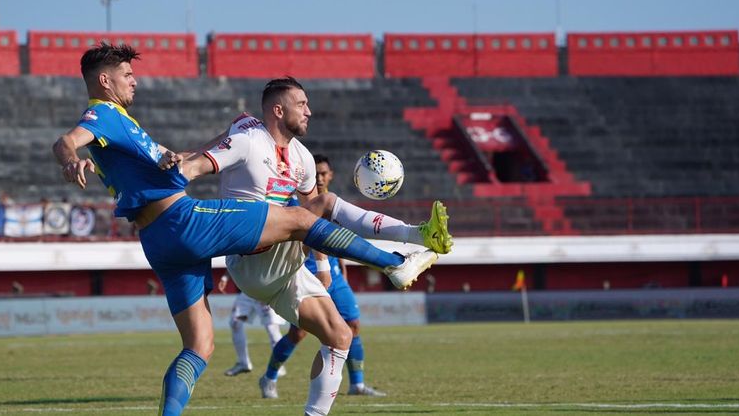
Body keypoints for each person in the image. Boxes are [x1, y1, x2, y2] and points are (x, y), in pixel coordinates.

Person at [53, 44, 443, 416]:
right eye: (127, 74)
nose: (134, 81)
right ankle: (394, 263)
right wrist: (71, 159)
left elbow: (172, 164)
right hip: (181, 220)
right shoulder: (104, 114)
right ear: (105, 81)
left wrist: (181, 156)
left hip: (159, 240)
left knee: (199, 347)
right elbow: (67, 142)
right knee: (303, 219)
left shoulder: (126, 126)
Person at [160, 76, 453, 415]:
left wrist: (324, 265)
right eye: (301, 104)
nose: (309, 111)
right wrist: (178, 166)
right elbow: (196, 166)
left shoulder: (303, 158)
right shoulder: (248, 141)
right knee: (324, 203)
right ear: (278, 109)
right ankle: (410, 242)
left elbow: (318, 227)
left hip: (286, 265)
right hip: (250, 255)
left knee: (339, 337)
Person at [262, 154, 386, 398]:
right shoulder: (295, 202)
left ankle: (357, 384)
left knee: (353, 325)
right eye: (315, 173)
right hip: (305, 272)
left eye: (323, 173)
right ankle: (269, 378)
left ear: (330, 176)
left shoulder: (334, 205)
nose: (318, 177)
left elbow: (339, 240)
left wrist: (343, 269)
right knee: (298, 333)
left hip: (335, 275)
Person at [219, 275, 288, 378]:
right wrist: (225, 277)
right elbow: (232, 258)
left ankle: (279, 366)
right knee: (235, 323)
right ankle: (243, 363)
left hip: (265, 289)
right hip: (247, 291)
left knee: (272, 328)